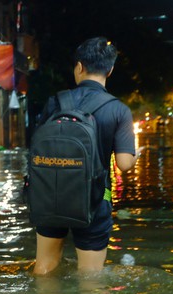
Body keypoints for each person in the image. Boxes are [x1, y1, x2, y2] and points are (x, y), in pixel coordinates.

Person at [33, 37, 140, 275]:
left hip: (50, 196)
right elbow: (123, 164)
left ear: (79, 66)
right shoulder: (118, 110)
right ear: (110, 70)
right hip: (94, 199)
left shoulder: (55, 102)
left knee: (44, 268)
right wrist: (136, 155)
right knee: (90, 276)